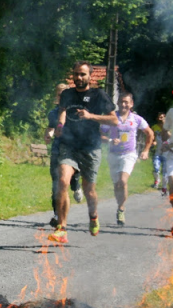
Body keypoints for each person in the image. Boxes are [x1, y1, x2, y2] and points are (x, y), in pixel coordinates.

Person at [49, 61, 117, 243]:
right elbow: (62, 111)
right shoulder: (67, 94)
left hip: (90, 148)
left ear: (89, 76)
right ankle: (61, 228)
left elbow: (114, 120)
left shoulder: (99, 95)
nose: (79, 78)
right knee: (63, 181)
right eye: (76, 74)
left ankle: (93, 216)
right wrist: (60, 126)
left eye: (83, 74)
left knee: (89, 191)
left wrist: (91, 116)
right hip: (69, 145)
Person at [100, 92, 153, 226]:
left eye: (126, 102)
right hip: (113, 154)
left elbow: (150, 133)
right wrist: (110, 140)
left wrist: (146, 150)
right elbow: (100, 134)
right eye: (121, 101)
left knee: (123, 181)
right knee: (117, 184)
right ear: (117, 103)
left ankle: (121, 209)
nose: (124, 104)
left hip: (129, 154)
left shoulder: (137, 119)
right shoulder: (111, 118)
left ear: (131, 104)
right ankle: (119, 204)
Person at [44, 83, 84, 228]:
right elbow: (50, 128)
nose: (62, 97)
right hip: (57, 150)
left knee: (70, 179)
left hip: (73, 151)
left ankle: (77, 185)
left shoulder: (77, 111)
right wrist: (48, 135)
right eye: (60, 94)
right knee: (57, 184)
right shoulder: (53, 113)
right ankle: (57, 215)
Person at [161, 103, 173, 234]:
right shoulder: (171, 111)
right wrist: (167, 142)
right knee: (172, 185)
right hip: (172, 154)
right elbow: (165, 130)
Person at [151, 112, 167, 194]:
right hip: (157, 151)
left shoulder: (169, 127)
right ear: (157, 118)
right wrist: (153, 141)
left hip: (166, 153)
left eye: (163, 117)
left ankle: (164, 186)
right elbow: (152, 136)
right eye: (160, 117)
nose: (161, 119)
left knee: (165, 170)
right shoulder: (154, 127)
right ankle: (157, 181)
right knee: (156, 167)